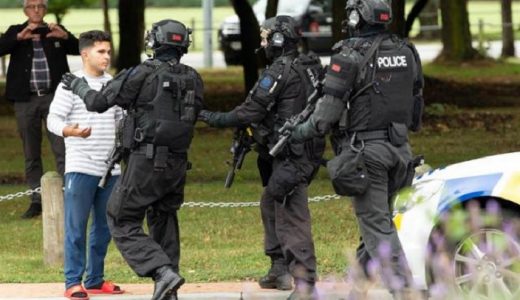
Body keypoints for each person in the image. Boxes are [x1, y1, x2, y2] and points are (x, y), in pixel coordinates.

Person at [61, 19, 204, 300]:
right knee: (164, 219)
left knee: (120, 217)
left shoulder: (142, 73)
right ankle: (168, 290)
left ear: (154, 41)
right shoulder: (194, 77)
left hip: (146, 162)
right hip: (177, 166)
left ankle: (162, 272)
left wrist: (78, 86)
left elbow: (98, 103)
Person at [291, 0, 424, 298]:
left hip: (368, 154)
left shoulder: (348, 54)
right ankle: (357, 291)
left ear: (355, 18)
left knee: (377, 228)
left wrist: (300, 131)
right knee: (378, 224)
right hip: (402, 152)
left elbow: (325, 115)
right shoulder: (407, 51)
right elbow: (416, 104)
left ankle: (406, 292)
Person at [198, 15, 325, 300]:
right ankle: (279, 267)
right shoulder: (309, 66)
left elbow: (249, 112)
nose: (263, 43)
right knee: (270, 201)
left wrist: (210, 117)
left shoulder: (280, 70)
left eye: (266, 37)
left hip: (292, 155)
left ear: (279, 40)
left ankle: (305, 285)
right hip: (304, 151)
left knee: (291, 215)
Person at [47, 30, 123, 300]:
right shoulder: (70, 84)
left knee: (104, 229)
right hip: (80, 167)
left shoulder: (113, 84)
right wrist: (70, 131)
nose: (107, 56)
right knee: (76, 228)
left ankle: (94, 279)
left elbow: (120, 122)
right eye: (101, 51)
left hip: (111, 169)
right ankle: (72, 283)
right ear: (85, 54)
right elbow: (52, 120)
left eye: (108, 51)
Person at [0, 0, 79, 218]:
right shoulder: (16, 31)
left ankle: (68, 196)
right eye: (32, 6)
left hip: (56, 98)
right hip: (25, 101)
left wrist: (65, 37)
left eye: (40, 6)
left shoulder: (54, 31)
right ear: (25, 10)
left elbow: (81, 49)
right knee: (31, 152)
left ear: (45, 9)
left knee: (62, 148)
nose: (36, 10)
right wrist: (18, 38)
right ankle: (37, 200)